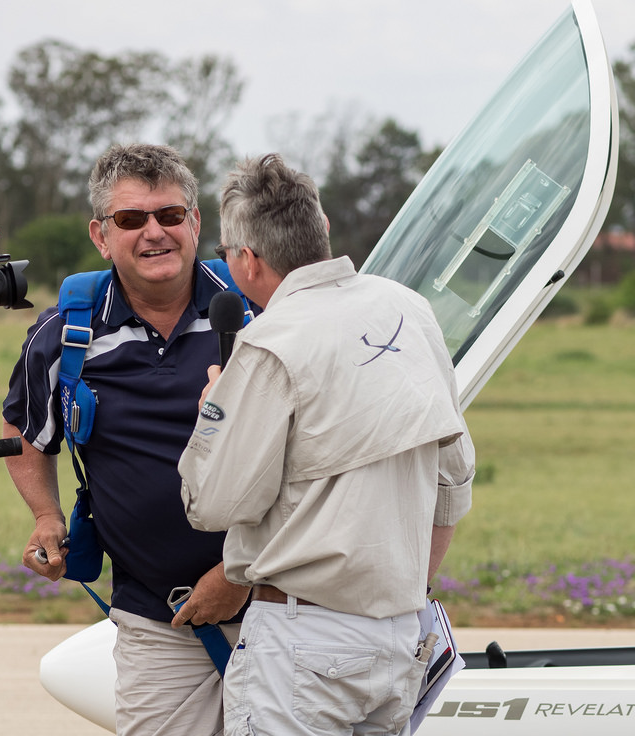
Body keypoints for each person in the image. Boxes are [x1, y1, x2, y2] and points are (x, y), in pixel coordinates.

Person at [178, 153, 475, 736]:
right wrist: (408, 590)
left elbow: (211, 503)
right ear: (323, 229)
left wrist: (213, 419)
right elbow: (453, 477)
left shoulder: (269, 342)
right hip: (402, 634)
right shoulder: (409, 308)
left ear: (247, 259)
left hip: (303, 642)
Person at [2, 143, 251, 735]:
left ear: (195, 224)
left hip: (275, 607)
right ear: (100, 235)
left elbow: (312, 467)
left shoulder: (254, 316)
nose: (153, 232)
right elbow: (24, 428)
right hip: (154, 619)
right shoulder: (65, 335)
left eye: (169, 215)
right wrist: (45, 515)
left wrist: (240, 576)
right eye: (131, 219)